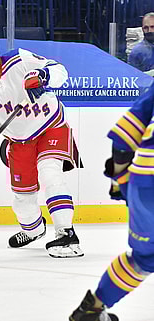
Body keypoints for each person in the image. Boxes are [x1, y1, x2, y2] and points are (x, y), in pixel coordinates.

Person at [0, 31, 83, 258]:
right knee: (22, 197)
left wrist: (43, 76)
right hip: (19, 141)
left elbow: (60, 70)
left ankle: (66, 233)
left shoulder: (20, 59)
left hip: (50, 127)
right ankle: (34, 229)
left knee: (51, 175)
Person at [69, 82, 154, 321]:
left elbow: (124, 139)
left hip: (145, 182)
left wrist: (120, 181)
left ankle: (91, 312)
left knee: (144, 258)